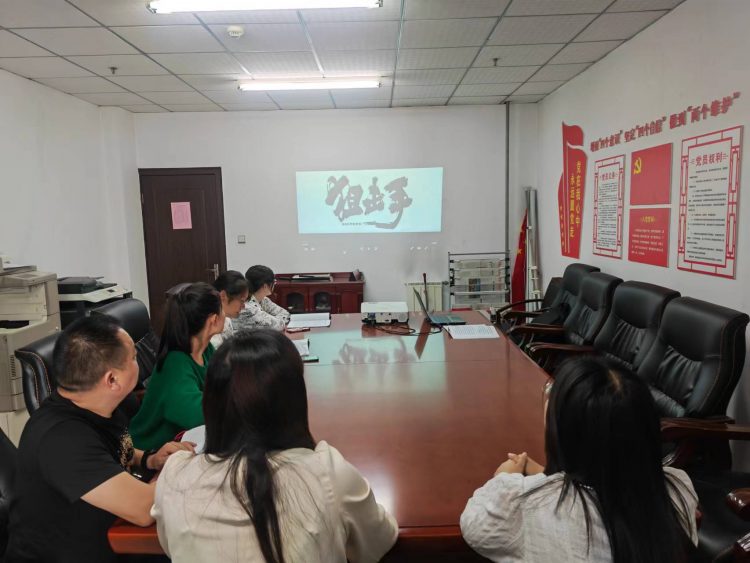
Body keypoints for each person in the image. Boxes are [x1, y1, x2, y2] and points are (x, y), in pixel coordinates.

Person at [153, 329, 398, 563]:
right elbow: (377, 543)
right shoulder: (327, 472)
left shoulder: (175, 475)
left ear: (210, 403)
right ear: (294, 400)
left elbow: (169, 545)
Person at [460, 357, 698, 563]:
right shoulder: (679, 488)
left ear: (561, 434)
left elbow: (475, 526)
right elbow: (603, 481)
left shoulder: (524, 504)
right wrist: (546, 473)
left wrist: (505, 475)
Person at [5, 315, 193, 563]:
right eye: (134, 357)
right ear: (112, 380)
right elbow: (144, 509)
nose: (140, 361)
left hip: (110, 536)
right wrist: (176, 468)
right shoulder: (62, 439)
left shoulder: (100, 405)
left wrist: (150, 459)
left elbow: (113, 450)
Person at [130, 282, 224, 451]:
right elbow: (196, 415)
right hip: (152, 451)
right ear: (214, 320)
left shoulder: (205, 350)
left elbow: (225, 379)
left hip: (189, 440)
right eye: (222, 310)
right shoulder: (175, 363)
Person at [234, 264, 290, 331]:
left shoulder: (263, 299)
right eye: (273, 282)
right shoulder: (248, 308)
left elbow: (285, 313)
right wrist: (276, 320)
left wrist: (274, 320)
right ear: (265, 286)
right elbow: (277, 326)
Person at [210, 270, 250, 348]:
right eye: (242, 301)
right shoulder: (207, 324)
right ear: (223, 295)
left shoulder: (227, 320)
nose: (243, 306)